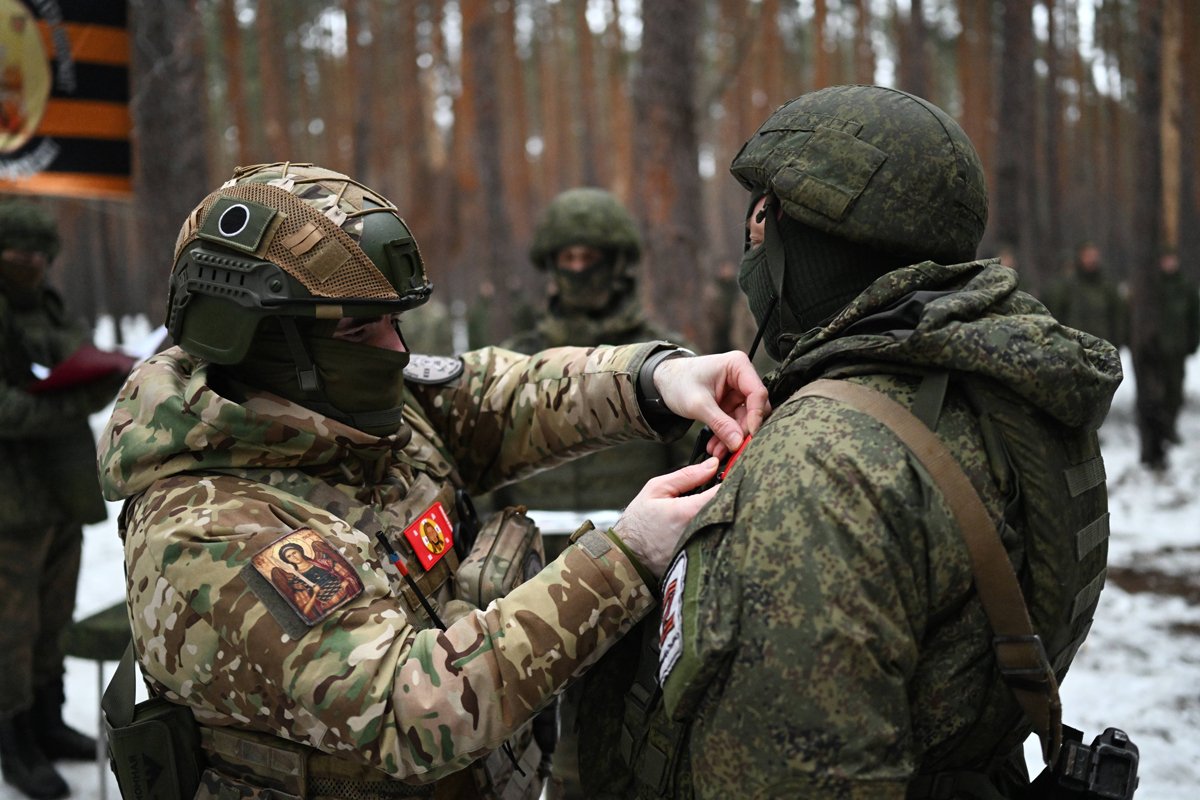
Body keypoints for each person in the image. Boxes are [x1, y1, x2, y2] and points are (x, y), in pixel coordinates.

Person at [95, 163, 767, 800]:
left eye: (395, 321)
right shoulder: (207, 527)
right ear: (267, 349)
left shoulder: (337, 405)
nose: (398, 351)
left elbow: (498, 399)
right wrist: (625, 559)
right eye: (362, 331)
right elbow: (411, 709)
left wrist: (654, 380)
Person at [579, 86, 1123, 798]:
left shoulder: (823, 465)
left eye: (764, 220)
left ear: (806, 240)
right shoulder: (1007, 390)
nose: (754, 242)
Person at [491, 187, 696, 798]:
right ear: (551, 267)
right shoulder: (518, 362)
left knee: (620, 742)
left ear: (617, 264)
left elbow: (692, 469)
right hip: (525, 585)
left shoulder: (659, 366)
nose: (579, 272)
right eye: (568, 259)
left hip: (633, 575)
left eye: (592, 259)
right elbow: (484, 472)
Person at [0, 201, 122, 800]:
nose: (34, 265)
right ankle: (14, 742)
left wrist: (103, 372)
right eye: (20, 254)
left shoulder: (47, 305)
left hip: (58, 491)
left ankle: (48, 722)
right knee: (9, 632)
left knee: (52, 622)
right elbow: (7, 408)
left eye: (42, 256)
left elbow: (77, 358)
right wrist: (73, 400)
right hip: (8, 508)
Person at [1132, 249, 1200, 471]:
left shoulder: (1186, 289)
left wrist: (1192, 342)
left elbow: (1194, 317)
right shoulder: (1153, 289)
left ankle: (1170, 427)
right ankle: (1158, 439)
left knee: (1175, 392)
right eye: (1165, 260)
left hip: (1177, 349)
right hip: (1154, 352)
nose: (1169, 264)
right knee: (1153, 398)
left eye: (1172, 260)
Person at [1044, 241, 1127, 348]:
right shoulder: (1068, 287)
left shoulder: (1107, 287)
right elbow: (1056, 313)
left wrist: (1117, 342)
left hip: (1102, 346)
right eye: (1087, 256)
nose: (1091, 260)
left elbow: (1118, 316)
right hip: (1074, 347)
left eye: (1094, 256)